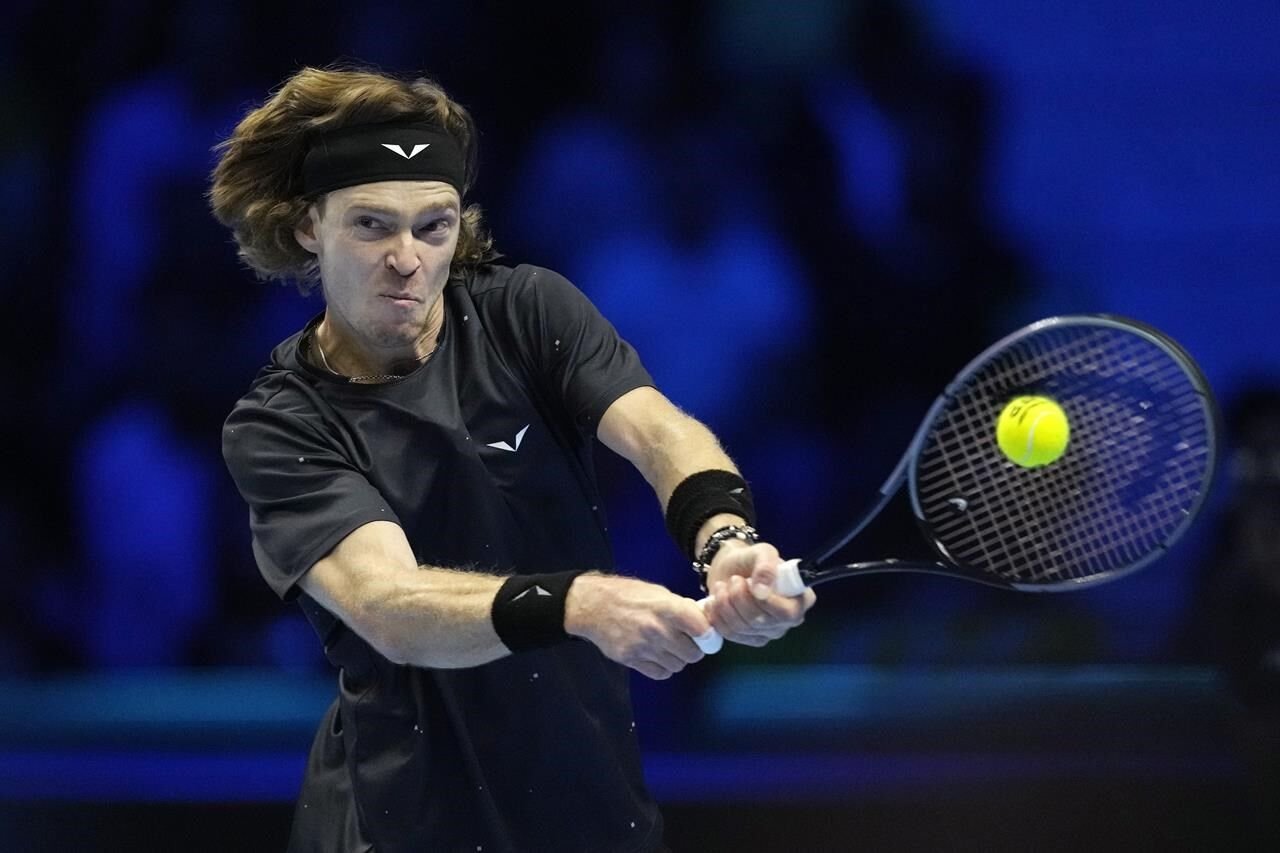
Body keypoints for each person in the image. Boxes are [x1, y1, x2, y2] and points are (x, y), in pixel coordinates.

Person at [210, 65, 815, 853]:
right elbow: (385, 603)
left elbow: (661, 430)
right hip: (398, 825)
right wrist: (582, 603)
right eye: (371, 225)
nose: (407, 257)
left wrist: (725, 540)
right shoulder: (279, 421)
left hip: (591, 806)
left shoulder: (528, 310)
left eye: (434, 225)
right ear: (307, 228)